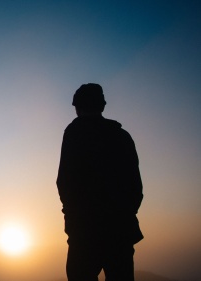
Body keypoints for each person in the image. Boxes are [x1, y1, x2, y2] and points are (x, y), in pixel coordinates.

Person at [56, 83, 143, 281]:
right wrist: (126, 214)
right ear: (102, 106)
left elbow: (65, 181)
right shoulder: (122, 136)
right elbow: (135, 187)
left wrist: (73, 217)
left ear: (77, 107)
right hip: (120, 231)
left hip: (84, 232)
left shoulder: (75, 132)